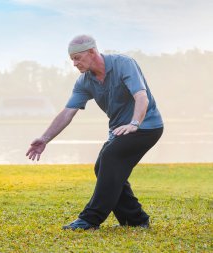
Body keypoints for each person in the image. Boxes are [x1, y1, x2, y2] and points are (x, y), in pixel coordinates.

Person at [26, 35, 163, 230]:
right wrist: (45, 138)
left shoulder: (124, 64)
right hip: (120, 130)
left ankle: (90, 220)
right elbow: (67, 112)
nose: (74, 63)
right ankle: (136, 220)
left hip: (146, 126)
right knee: (103, 168)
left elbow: (141, 96)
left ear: (92, 52)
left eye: (77, 58)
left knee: (110, 158)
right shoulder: (84, 82)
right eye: (71, 59)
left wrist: (134, 123)